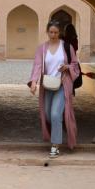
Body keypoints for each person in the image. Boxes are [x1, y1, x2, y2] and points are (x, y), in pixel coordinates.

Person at [28, 20, 81, 157]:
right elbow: (37, 65)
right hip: (47, 86)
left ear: (60, 33)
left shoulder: (66, 47)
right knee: (47, 114)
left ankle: (55, 145)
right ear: (47, 32)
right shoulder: (42, 48)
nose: (53, 35)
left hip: (62, 85)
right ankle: (57, 130)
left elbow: (75, 65)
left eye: (56, 32)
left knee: (55, 114)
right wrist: (34, 82)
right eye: (51, 32)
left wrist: (67, 67)